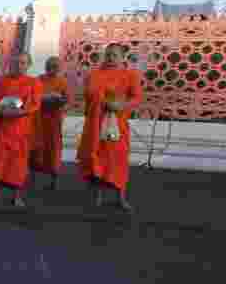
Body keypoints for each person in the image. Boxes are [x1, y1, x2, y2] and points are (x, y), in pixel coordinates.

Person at [76, 43, 142, 211]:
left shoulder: (130, 75)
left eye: (114, 55)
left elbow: (136, 98)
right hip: (97, 123)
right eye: (108, 54)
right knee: (97, 158)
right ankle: (98, 195)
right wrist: (104, 101)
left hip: (118, 125)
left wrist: (121, 105)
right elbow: (89, 93)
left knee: (118, 161)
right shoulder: (95, 74)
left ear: (122, 57)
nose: (110, 58)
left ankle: (120, 197)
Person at [0, 53, 42, 207]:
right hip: (2, 127)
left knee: (18, 164)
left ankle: (17, 196)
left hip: (20, 129)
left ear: (29, 65)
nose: (19, 66)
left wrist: (20, 112)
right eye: (16, 63)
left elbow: (35, 105)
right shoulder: (3, 81)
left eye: (23, 63)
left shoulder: (34, 83)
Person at [30, 57, 69, 189]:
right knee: (36, 148)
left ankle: (54, 181)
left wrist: (58, 99)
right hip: (39, 119)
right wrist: (43, 98)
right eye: (50, 65)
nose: (52, 68)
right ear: (46, 66)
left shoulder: (63, 82)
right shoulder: (38, 80)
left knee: (54, 149)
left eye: (55, 66)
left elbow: (66, 99)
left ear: (59, 68)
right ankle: (33, 179)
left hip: (54, 120)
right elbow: (32, 96)